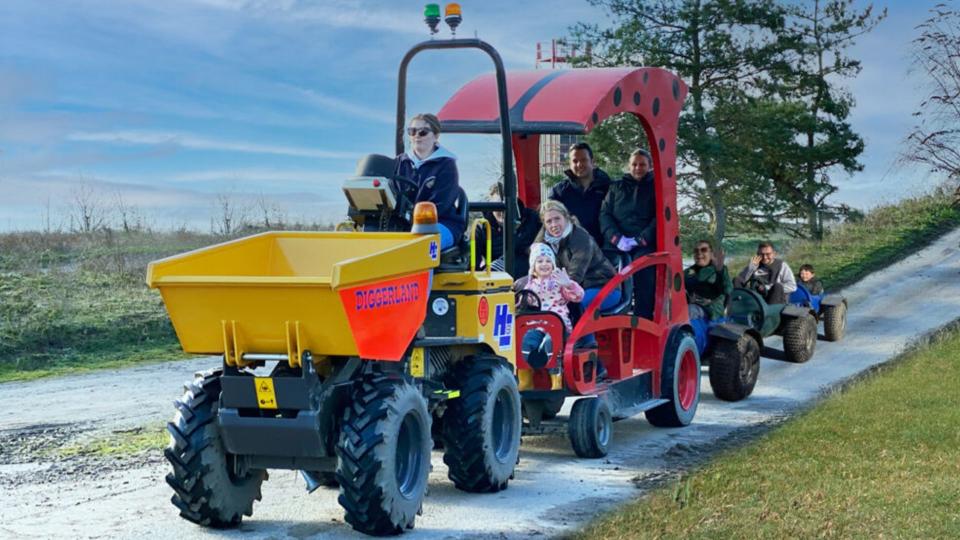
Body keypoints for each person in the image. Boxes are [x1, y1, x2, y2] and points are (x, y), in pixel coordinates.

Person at [534, 200, 621, 313]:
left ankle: (581, 331)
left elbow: (575, 276)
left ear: (566, 217)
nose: (554, 225)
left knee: (574, 306)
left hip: (603, 287)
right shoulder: (546, 239)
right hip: (573, 287)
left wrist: (553, 293)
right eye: (549, 221)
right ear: (544, 225)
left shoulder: (581, 238)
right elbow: (535, 260)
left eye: (557, 219)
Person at [600, 149, 657, 318]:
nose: (638, 168)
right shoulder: (616, 187)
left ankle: (642, 318)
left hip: (643, 244)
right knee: (605, 274)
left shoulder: (656, 187)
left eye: (642, 164)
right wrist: (617, 239)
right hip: (616, 242)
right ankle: (608, 317)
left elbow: (658, 216)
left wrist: (641, 239)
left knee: (644, 276)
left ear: (649, 166)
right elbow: (605, 214)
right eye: (634, 164)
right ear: (628, 165)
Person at [394, 113, 464, 250]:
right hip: (403, 223)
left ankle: (424, 270)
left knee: (420, 246)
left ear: (436, 136)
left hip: (441, 222)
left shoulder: (446, 164)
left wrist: (410, 216)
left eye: (423, 132)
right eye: (412, 131)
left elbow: (442, 204)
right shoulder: (399, 162)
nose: (416, 136)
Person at [548, 142, 612, 248]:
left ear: (592, 161)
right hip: (571, 247)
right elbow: (549, 219)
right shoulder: (559, 191)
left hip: (604, 249)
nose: (579, 164)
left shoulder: (608, 187)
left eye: (583, 160)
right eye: (575, 161)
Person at [475, 182, 541, 276]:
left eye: (508, 204)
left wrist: (531, 278)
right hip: (498, 279)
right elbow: (472, 263)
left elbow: (546, 248)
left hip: (531, 277)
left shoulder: (532, 218)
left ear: (515, 201)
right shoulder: (481, 228)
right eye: (498, 205)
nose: (504, 210)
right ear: (490, 205)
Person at [522, 243, 585, 332]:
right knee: (528, 340)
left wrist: (568, 285)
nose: (544, 264)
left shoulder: (559, 281)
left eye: (548, 261)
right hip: (537, 324)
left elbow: (579, 296)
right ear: (533, 266)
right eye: (540, 261)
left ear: (553, 265)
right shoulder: (530, 285)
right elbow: (525, 303)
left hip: (557, 322)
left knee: (550, 341)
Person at [684, 239, 733, 321]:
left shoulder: (720, 269)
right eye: (696, 251)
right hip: (691, 306)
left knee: (689, 311)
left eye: (704, 250)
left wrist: (719, 271)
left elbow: (728, 290)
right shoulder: (687, 272)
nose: (699, 253)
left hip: (711, 311)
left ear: (711, 253)